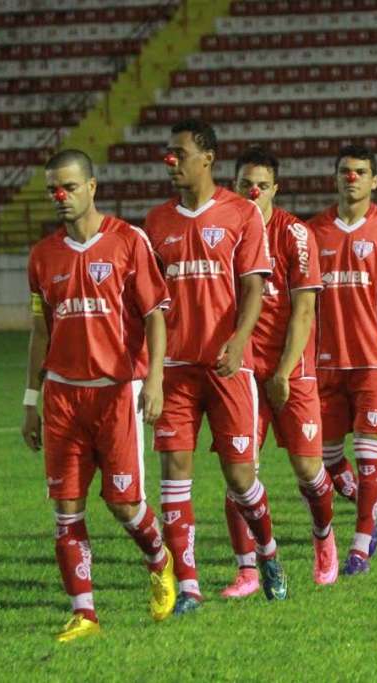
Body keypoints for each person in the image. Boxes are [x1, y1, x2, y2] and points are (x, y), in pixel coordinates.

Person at [23, 149, 175, 641]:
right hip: (63, 397)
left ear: (92, 186)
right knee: (66, 506)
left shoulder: (129, 242)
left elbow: (155, 315)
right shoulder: (43, 256)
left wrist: (153, 382)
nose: (60, 197)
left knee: (124, 504)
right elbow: (40, 333)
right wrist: (31, 401)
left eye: (68, 186)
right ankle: (84, 613)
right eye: (53, 190)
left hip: (116, 393)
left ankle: (158, 557)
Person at [144, 119, 287, 613]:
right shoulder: (156, 222)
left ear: (207, 157)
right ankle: (189, 587)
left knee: (241, 479)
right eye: (168, 153)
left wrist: (239, 339)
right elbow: (150, 306)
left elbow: (253, 287)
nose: (171, 161)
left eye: (179, 153)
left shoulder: (241, 213)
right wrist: (153, 372)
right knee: (173, 475)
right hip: (177, 370)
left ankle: (267, 552)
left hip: (229, 367)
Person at [217, 147, 337, 597]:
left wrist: (284, 371)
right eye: (245, 183)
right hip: (242, 367)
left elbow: (304, 312)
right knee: (239, 469)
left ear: (275, 189)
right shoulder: (224, 230)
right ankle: (247, 569)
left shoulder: (295, 235)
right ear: (233, 186)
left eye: (262, 185)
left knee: (308, 469)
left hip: (291, 366)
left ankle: (324, 538)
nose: (253, 191)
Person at [307, 144, 377, 576]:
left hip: (373, 360)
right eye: (344, 171)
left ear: (375, 181)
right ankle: (368, 499)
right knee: (324, 456)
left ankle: (359, 545)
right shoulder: (313, 231)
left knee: (370, 454)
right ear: (335, 178)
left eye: (360, 172)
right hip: (323, 362)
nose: (351, 178)